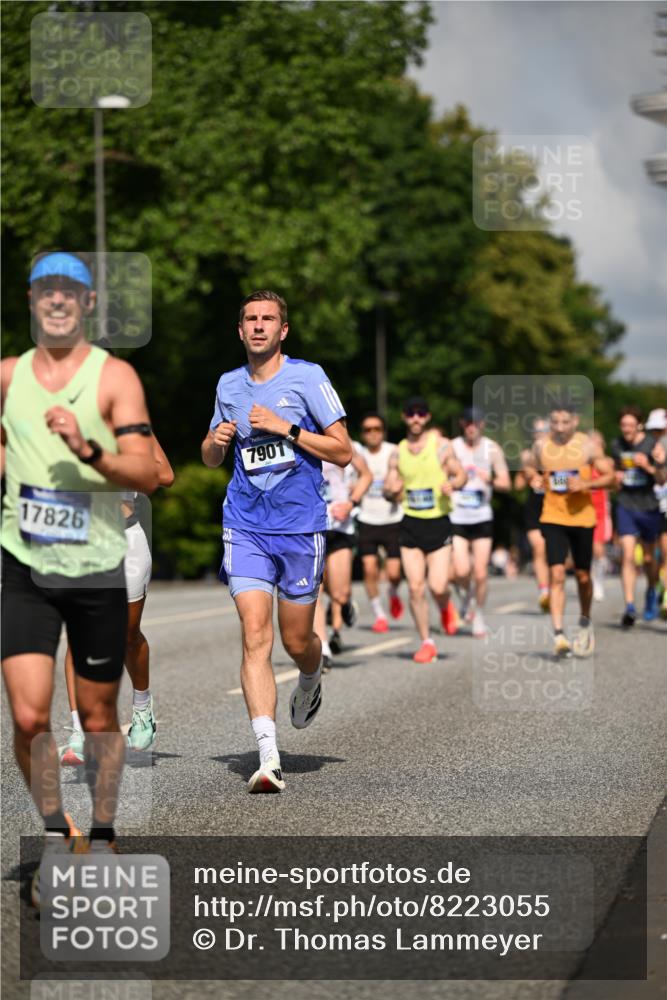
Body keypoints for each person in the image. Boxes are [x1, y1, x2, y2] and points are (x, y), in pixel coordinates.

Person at [1, 252, 159, 902]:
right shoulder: (8, 376)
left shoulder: (113, 377)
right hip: (24, 564)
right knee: (28, 713)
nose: (58, 300)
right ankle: (55, 832)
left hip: (96, 565)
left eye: (70, 291)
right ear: (33, 300)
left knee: (97, 716)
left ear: (88, 303)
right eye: (47, 290)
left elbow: (148, 472)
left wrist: (86, 450)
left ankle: (103, 830)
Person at [201, 290, 352, 793]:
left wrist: (286, 428)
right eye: (251, 319)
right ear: (240, 330)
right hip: (245, 523)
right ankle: (269, 757)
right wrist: (214, 443)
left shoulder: (307, 377)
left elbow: (343, 451)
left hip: (300, 526)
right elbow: (210, 457)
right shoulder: (228, 384)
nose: (259, 325)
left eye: (268, 319)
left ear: (283, 330)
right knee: (254, 634)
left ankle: (310, 676)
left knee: (296, 642)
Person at [59, 436, 175, 765]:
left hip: (127, 537)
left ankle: (142, 710)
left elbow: (165, 475)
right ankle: (80, 731)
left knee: (128, 634)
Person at [526, 402, 614, 657]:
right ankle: (559, 635)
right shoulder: (542, 445)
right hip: (552, 516)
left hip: (582, 518)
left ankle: (585, 622)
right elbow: (530, 465)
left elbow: (611, 477)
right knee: (556, 574)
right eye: (555, 422)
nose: (560, 428)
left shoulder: (587, 446)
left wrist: (586, 483)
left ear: (574, 421)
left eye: (565, 422)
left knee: (583, 576)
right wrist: (534, 477)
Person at [384, 396, 466, 663]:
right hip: (410, 523)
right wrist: (392, 491)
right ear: (404, 417)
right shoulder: (398, 452)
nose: (416, 418)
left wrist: (454, 484)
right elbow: (388, 488)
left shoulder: (441, 446)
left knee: (438, 585)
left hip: (438, 522)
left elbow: (461, 473)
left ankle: (444, 603)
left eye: (421, 413)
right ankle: (427, 642)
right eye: (411, 413)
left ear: (428, 417)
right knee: (416, 588)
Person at [449, 407, 510, 638]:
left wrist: (490, 479)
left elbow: (506, 483)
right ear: (462, 424)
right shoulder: (452, 447)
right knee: (461, 570)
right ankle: (466, 597)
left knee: (481, 573)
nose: (471, 427)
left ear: (482, 424)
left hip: (482, 516)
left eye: (475, 423)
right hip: (457, 515)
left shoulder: (492, 449)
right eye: (467, 423)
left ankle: (479, 616)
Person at [314, 452, 372, 665]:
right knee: (315, 592)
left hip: (339, 527)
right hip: (310, 528)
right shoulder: (297, 439)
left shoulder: (339, 442)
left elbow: (366, 475)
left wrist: (351, 502)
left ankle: (346, 603)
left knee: (340, 593)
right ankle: (323, 648)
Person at [610, 406, 662, 626]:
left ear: (639, 425)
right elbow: (612, 477)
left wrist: (648, 466)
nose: (627, 429)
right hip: (626, 505)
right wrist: (615, 478)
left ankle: (651, 590)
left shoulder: (652, 444)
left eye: (631, 425)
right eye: (623, 425)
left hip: (649, 506)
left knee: (649, 559)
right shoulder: (616, 445)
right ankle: (629, 606)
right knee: (628, 555)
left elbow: (661, 478)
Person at [355, 413, 404, 632]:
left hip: (392, 519)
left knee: (394, 573)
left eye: (377, 429)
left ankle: (393, 592)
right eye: (368, 429)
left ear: (383, 431)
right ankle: (379, 614)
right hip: (367, 519)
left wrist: (397, 489)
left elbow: (405, 478)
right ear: (362, 433)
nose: (372, 433)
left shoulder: (394, 451)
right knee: (369, 569)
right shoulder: (358, 455)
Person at [516, 418, 550, 612]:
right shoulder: (527, 455)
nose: (540, 433)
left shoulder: (560, 454)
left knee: (554, 553)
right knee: (539, 548)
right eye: (537, 430)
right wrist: (527, 475)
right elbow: (518, 485)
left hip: (556, 509)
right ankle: (544, 592)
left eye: (544, 429)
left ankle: (554, 587)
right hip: (534, 508)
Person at [646, 408, 667, 617]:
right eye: (654, 430)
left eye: (660, 430)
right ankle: (654, 590)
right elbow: (660, 480)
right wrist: (657, 464)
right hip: (655, 506)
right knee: (652, 557)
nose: (657, 434)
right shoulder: (651, 447)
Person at [589, 430, 613, 602]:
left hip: (600, 511)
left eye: (596, 443)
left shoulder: (607, 463)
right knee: (587, 549)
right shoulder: (583, 463)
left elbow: (612, 486)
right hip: (583, 510)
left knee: (598, 549)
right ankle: (591, 579)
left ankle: (598, 581)